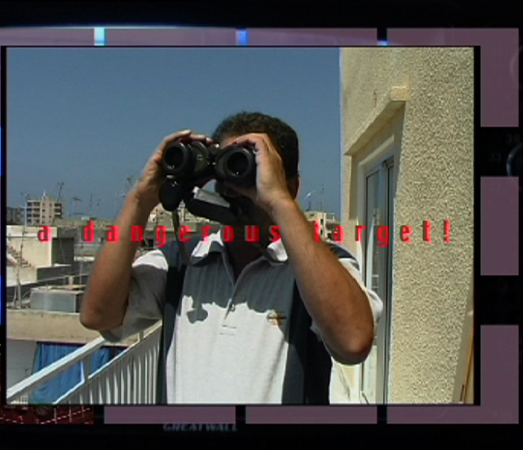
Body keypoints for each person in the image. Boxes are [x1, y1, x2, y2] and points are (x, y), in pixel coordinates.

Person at [80, 111, 382, 404]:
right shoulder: (183, 260)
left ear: (291, 186)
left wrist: (277, 200)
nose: (234, 189)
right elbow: (98, 315)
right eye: (228, 168)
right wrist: (140, 199)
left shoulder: (322, 266)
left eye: (247, 170)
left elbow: (353, 341)